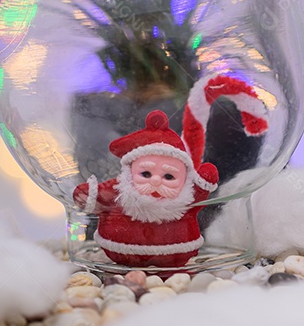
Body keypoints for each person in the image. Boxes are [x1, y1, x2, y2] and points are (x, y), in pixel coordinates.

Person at [73, 75, 268, 268]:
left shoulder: (186, 195)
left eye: (168, 176)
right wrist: (88, 194)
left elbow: (199, 193)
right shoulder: (120, 190)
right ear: (131, 171)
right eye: (146, 174)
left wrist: (204, 180)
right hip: (119, 251)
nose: (156, 181)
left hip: (177, 253)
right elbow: (101, 195)